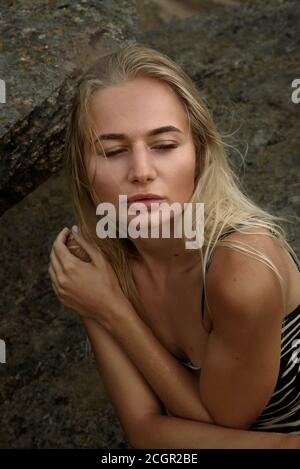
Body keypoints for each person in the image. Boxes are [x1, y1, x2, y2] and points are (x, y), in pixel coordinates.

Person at [48, 43, 300, 448]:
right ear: (83, 170)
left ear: (199, 152)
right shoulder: (95, 262)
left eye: (164, 146)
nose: (142, 172)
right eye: (113, 151)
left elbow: (224, 426)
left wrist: (111, 310)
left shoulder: (241, 266)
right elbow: (146, 433)